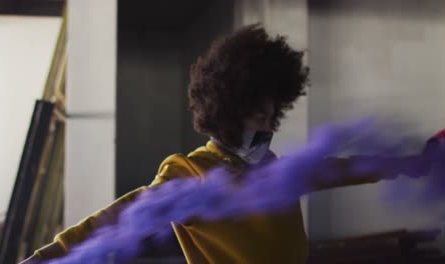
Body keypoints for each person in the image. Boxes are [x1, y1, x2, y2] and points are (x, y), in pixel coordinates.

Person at [22, 24, 432, 264]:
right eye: (258, 110)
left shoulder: (275, 169)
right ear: (228, 107)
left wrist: (412, 162)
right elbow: (115, 218)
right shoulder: (191, 172)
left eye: (273, 110)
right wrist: (42, 259)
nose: (268, 119)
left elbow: (340, 169)